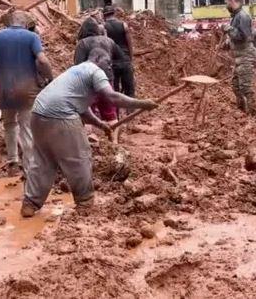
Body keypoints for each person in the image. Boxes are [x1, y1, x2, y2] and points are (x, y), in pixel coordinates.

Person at [21, 51, 158, 217]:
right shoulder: (95, 70)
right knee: (79, 157)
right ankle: (85, 202)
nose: (109, 68)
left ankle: (30, 203)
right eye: (108, 63)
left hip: (37, 114)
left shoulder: (76, 71)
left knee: (43, 160)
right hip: (61, 115)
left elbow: (82, 109)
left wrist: (100, 124)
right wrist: (142, 104)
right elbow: (112, 97)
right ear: (97, 58)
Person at [0, 11, 54, 174]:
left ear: (8, 23)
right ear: (25, 23)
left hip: (2, 89)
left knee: (9, 123)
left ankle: (12, 161)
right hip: (27, 89)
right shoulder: (32, 37)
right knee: (26, 126)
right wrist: (50, 78)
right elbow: (42, 60)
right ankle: (29, 168)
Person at [74, 18, 127, 122]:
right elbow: (121, 58)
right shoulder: (109, 41)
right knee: (110, 113)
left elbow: (78, 66)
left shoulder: (82, 43)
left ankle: (90, 131)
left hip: (89, 82)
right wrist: (109, 66)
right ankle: (113, 131)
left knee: (89, 116)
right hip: (106, 80)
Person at [221, 0, 256, 116]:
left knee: (246, 87)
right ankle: (242, 113)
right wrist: (227, 43)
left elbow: (243, 36)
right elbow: (235, 38)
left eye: (227, 3)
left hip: (246, 56)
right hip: (239, 57)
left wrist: (229, 29)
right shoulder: (235, 16)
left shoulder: (243, 16)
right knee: (236, 86)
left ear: (232, 1)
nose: (226, 6)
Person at [102, 5, 136, 98]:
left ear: (104, 15)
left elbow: (104, 45)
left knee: (114, 91)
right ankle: (131, 107)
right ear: (114, 13)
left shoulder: (103, 27)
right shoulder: (123, 25)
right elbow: (129, 44)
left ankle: (116, 108)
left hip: (112, 62)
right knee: (129, 90)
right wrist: (130, 59)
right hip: (125, 59)